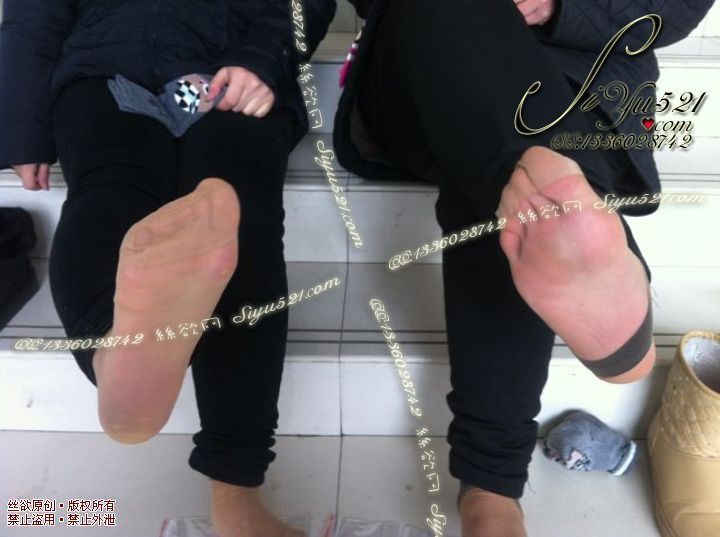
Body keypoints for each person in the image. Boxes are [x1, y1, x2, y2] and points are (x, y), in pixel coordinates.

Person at [333, 0, 714, 536]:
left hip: (580, 86)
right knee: (530, 176)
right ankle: (491, 487)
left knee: (514, 179)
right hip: (427, 60)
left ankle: (490, 489)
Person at [0, 1, 336, 537]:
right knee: (135, 188)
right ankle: (231, 487)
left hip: (229, 72)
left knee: (215, 209)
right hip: (108, 70)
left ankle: (117, 357)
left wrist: (261, 58)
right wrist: (24, 130)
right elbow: (36, 12)